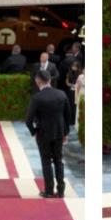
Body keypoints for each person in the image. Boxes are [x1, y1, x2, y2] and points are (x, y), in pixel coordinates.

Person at [25, 68, 73, 198]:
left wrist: (34, 132)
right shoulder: (61, 94)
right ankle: (61, 190)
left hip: (43, 134)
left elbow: (28, 120)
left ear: (37, 81)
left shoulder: (37, 98)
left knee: (46, 161)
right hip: (59, 133)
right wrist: (66, 132)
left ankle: (49, 191)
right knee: (58, 160)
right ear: (50, 80)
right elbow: (68, 116)